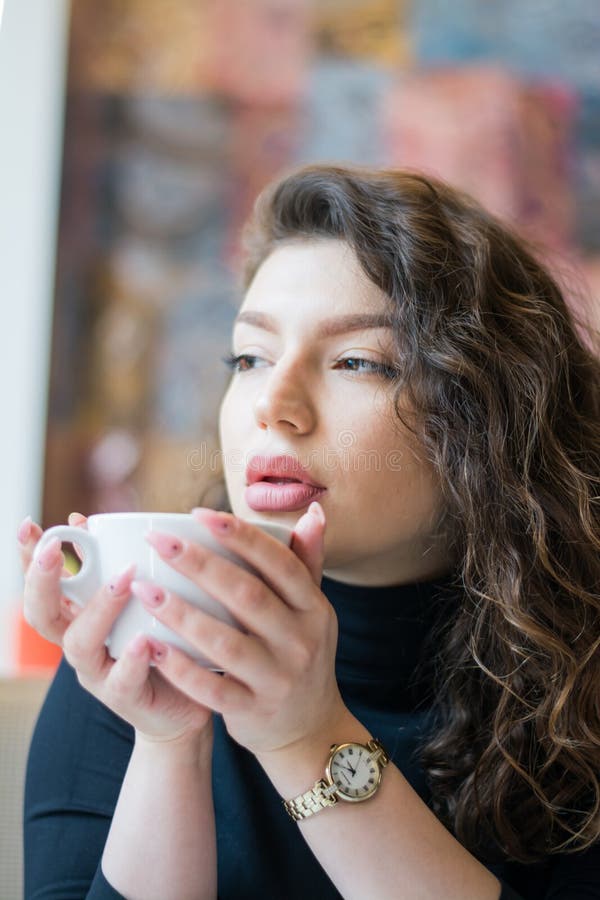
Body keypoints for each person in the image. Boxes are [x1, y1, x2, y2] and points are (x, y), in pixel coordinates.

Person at [19, 163, 600, 900]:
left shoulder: (580, 683)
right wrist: (168, 743)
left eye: (358, 361)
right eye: (251, 357)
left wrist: (305, 738)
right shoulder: (139, 650)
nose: (274, 403)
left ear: (494, 420)